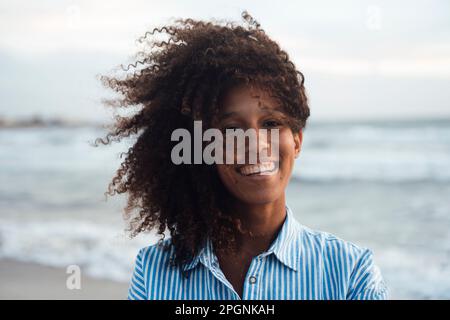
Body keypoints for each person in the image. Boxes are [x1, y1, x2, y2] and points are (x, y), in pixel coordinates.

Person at [99, 12, 389, 300]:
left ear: (297, 141)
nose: (256, 144)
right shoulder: (154, 273)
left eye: (272, 123)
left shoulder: (350, 273)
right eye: (231, 129)